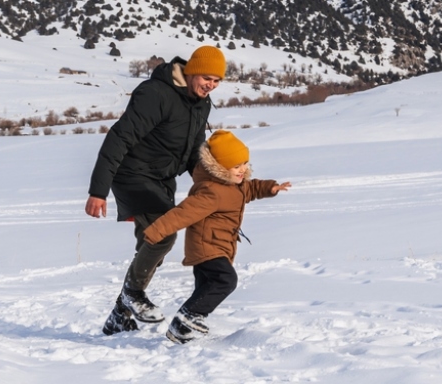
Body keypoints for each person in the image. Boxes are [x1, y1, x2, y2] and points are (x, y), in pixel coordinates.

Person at [85, 45, 226, 335]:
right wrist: (98, 190)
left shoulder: (201, 103)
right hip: (131, 173)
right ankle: (132, 295)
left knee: (150, 251)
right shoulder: (156, 94)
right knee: (164, 233)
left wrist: (216, 181)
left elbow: (193, 152)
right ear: (191, 72)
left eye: (217, 80)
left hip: (161, 179)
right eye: (206, 78)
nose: (210, 85)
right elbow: (119, 138)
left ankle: (119, 315)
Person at [141, 130, 290, 343]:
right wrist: (156, 231)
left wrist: (270, 188)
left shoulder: (236, 185)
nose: (243, 170)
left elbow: (251, 188)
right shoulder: (211, 191)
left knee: (204, 289)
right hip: (207, 247)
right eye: (236, 166)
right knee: (225, 280)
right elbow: (183, 213)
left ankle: (184, 330)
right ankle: (184, 321)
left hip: (218, 246)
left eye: (245, 163)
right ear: (219, 167)